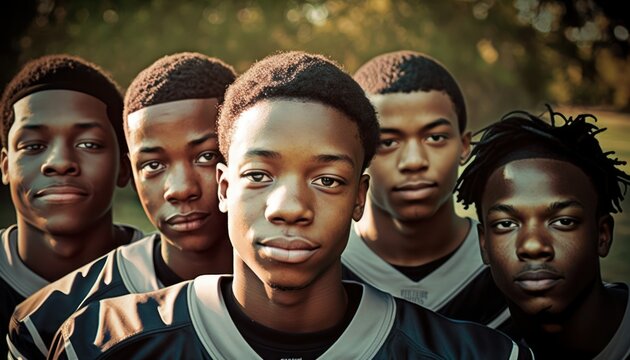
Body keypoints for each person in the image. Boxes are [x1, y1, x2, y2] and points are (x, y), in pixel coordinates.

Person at [48, 51, 531, 359]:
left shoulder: (476, 353)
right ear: (223, 186)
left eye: (326, 179)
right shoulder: (98, 341)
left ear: (359, 197)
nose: (290, 207)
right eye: (259, 175)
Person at [7, 52, 236, 359]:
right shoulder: (47, 319)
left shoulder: (311, 291)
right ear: (131, 171)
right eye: (153, 164)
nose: (180, 190)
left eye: (206, 156)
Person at [343, 50, 510, 329]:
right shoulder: (324, 265)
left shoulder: (508, 262)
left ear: (464, 146)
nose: (414, 161)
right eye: (387, 142)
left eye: (435, 137)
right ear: (356, 152)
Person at [456, 106, 630, 359]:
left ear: (602, 235)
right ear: (484, 244)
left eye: (563, 222)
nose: (533, 245)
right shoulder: (471, 349)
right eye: (506, 224)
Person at [0, 54, 144, 356]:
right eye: (33, 146)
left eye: (89, 144)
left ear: (123, 167)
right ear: (5, 165)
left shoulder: (168, 281)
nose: (60, 162)